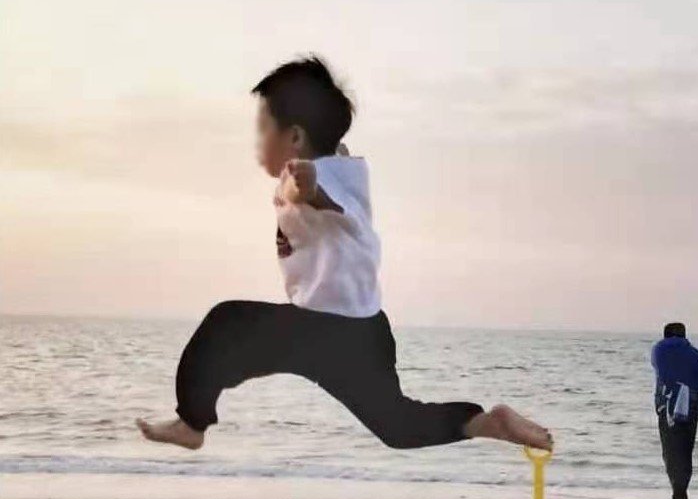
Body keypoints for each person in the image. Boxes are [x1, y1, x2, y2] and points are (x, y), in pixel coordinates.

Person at [137, 56, 552, 454]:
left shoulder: (315, 175)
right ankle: (483, 423)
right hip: (365, 330)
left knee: (224, 323)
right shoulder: (345, 165)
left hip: (316, 330)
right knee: (397, 425)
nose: (258, 141)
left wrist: (306, 186)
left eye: (263, 129)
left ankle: (192, 424)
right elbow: (331, 175)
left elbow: (318, 196)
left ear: (295, 138)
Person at [650, 322, 698, 499]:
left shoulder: (660, 348)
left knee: (671, 451)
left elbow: (660, 369)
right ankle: (680, 498)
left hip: (670, 403)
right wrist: (696, 395)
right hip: (691, 406)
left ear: (665, 334)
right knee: (685, 451)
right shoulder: (696, 354)